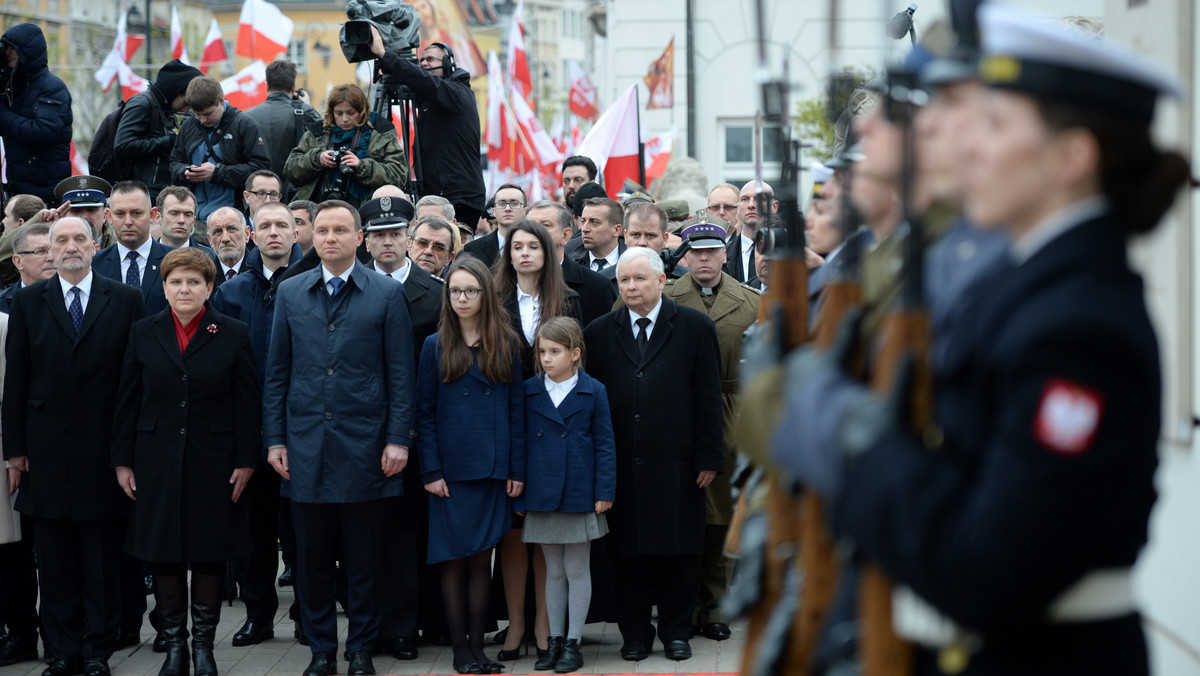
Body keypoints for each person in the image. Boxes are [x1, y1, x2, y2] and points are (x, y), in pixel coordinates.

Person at [771, 5, 1190, 674]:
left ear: (1071, 157)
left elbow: (987, 568)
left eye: (993, 125)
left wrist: (853, 439)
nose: (966, 146)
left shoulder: (1079, 326)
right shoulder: (1029, 288)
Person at [264, 200, 415, 676]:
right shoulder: (290, 293)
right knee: (309, 560)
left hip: (366, 447)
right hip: (306, 447)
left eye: (340, 230)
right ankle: (322, 650)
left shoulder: (386, 294)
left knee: (364, 559)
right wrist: (275, 440)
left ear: (359, 238)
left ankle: (361, 649)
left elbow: (400, 375)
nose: (329, 237)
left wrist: (397, 439)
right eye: (322, 230)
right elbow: (277, 374)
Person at [3, 216, 147, 676]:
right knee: (56, 560)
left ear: (94, 244)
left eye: (77, 239)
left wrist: (128, 453)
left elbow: (136, 382)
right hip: (45, 453)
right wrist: (15, 450)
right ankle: (62, 650)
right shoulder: (28, 303)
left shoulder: (126, 299)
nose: (68, 247)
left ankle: (98, 650)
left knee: (101, 559)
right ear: (48, 249)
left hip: (104, 452)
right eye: (59, 240)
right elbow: (17, 382)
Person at [112, 247, 259, 676]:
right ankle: (174, 646)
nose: (184, 289)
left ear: (210, 287)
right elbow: (127, 401)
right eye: (176, 281)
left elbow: (247, 404)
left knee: (209, 553)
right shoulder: (144, 331)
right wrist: (122, 461)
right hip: (155, 461)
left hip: (214, 462)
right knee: (164, 555)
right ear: (164, 286)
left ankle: (203, 648)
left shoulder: (233, 333)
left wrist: (247, 460)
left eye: (194, 281)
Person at [582, 247, 723, 662]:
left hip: (678, 461)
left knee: (679, 550)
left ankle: (677, 632)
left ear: (662, 281)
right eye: (624, 280)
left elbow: (708, 398)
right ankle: (635, 635)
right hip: (622, 462)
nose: (630, 287)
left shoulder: (695, 327)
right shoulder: (600, 332)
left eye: (639, 279)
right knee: (628, 553)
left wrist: (708, 457)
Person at [416, 256, 524, 674]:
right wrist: (431, 471)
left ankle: (479, 649)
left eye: (471, 290)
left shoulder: (507, 343)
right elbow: (422, 414)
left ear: (485, 294)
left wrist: (516, 470)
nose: (462, 298)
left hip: (493, 469)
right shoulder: (435, 344)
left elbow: (517, 412)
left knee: (483, 560)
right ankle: (461, 651)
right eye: (455, 291)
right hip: (449, 473)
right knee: (454, 559)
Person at [661, 220, 760, 642]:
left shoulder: (752, 302)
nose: (703, 258)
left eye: (711, 251)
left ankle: (715, 607)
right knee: (683, 513)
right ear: (684, 256)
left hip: (733, 412)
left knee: (723, 515)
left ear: (725, 253)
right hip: (677, 414)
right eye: (695, 252)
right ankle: (678, 606)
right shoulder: (664, 297)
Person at [491, 220, 581, 666]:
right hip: (507, 423)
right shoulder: (493, 300)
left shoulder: (568, 301)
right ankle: (516, 623)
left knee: (547, 530)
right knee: (511, 532)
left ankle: (546, 624)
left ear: (547, 252)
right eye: (516, 246)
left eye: (533, 246)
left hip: (555, 429)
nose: (524, 253)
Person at [520, 317, 615, 674]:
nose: (546, 358)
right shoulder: (529, 390)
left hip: (579, 491)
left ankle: (574, 642)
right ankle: (553, 640)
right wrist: (519, 489)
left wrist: (604, 491)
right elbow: (520, 442)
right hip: (543, 492)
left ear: (575, 354)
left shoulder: (594, 390)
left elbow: (605, 445)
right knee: (552, 572)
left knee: (577, 568)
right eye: (542, 351)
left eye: (555, 352)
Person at [370, 35, 486, 228]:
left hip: (460, 198)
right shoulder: (431, 101)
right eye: (421, 60)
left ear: (448, 64)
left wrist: (384, 54)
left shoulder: (458, 92)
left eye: (430, 59)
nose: (423, 63)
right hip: (439, 195)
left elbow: (427, 82)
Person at [284, 84, 407, 210]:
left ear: (362, 110)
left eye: (351, 113)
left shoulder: (380, 133)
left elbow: (399, 175)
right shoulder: (317, 132)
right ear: (332, 112)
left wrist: (361, 166)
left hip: (364, 209)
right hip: (318, 207)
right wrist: (317, 159)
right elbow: (290, 169)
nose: (344, 119)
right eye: (339, 113)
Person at [168, 76, 270, 223]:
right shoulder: (189, 125)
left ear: (221, 101)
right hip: (194, 219)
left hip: (233, 218)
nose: (203, 120)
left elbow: (261, 170)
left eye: (208, 114)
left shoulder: (246, 125)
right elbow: (174, 163)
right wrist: (186, 171)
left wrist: (217, 173)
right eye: (197, 114)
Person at [113, 60, 204, 202]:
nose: (186, 110)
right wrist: (170, 141)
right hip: (141, 193)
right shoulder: (142, 104)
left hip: (158, 191)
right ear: (175, 91)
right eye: (186, 103)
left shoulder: (166, 108)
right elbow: (122, 146)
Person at [0, 23, 71, 204]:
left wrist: (3, 114)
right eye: (5, 48)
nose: (7, 53)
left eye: (12, 48)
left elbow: (41, 131)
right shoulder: (12, 88)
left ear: (27, 52)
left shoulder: (52, 87)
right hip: (18, 189)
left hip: (46, 193)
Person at [525, 200, 615, 328]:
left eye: (545, 225)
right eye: (531, 226)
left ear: (566, 235)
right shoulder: (507, 285)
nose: (536, 233)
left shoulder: (597, 287)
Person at [92, 180, 175, 315]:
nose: (128, 222)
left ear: (152, 215)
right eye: (120, 214)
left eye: (136, 213)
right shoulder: (95, 265)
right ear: (108, 216)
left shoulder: (176, 261)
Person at [244, 60, 322, 199]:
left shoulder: (247, 117)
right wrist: (306, 107)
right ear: (294, 87)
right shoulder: (304, 112)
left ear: (267, 86)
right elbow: (322, 142)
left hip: (259, 195)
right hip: (296, 194)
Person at [461, 184, 527, 266]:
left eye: (514, 203)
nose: (507, 209)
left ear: (525, 211)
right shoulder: (473, 249)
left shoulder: (538, 246)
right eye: (502, 203)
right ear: (494, 211)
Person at [0, 223, 54, 312]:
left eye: (55, 250)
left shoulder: (75, 299)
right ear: (18, 261)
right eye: (41, 251)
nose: (51, 257)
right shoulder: (3, 305)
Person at [571, 197, 625, 284]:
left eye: (594, 222)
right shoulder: (571, 265)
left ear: (616, 230)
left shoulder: (634, 265)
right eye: (583, 221)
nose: (584, 229)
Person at [157, 186, 217, 256]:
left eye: (188, 215)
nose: (181, 220)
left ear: (193, 221)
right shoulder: (144, 258)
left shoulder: (212, 259)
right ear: (158, 217)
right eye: (174, 213)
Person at [207, 207, 251, 283]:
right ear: (210, 239)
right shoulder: (203, 275)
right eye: (218, 232)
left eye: (232, 229)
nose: (225, 238)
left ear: (246, 234)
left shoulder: (262, 272)